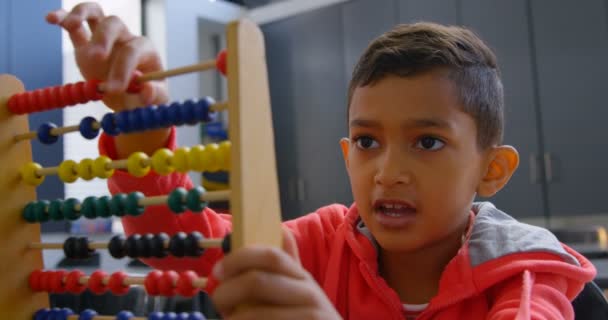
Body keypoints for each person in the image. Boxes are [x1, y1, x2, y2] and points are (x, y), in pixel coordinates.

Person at [47, 3, 596, 319]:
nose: (387, 172)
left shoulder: (527, 282)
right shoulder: (318, 243)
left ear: (491, 169)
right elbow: (184, 247)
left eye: (427, 142)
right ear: (346, 153)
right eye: (366, 142)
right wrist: (138, 126)